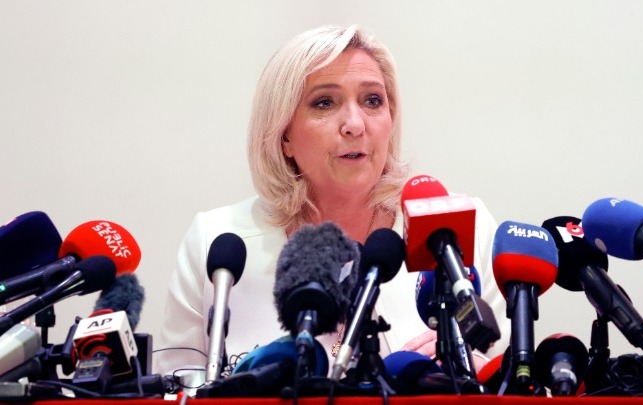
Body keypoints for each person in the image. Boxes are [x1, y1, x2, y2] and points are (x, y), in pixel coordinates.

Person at [155, 24, 510, 380]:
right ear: (283, 135)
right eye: (324, 102)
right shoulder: (216, 244)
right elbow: (175, 391)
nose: (355, 124)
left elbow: (513, 381)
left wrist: (473, 369)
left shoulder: (460, 228)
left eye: (373, 101)